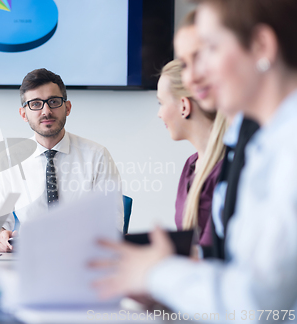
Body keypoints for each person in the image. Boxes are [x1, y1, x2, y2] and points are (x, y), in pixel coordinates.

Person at [93, 0, 297, 317]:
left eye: (210, 50)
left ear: (261, 46)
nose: (193, 77)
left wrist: (158, 273)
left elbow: (257, 305)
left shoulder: (286, 149)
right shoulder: (265, 145)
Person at [0, 68, 123, 252]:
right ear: (23, 114)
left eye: (53, 102)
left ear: (67, 107)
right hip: (30, 258)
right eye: (35, 104)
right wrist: (0, 236)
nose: (46, 111)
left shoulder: (97, 155)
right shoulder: (9, 160)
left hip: (84, 258)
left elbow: (111, 224)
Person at [175, 9, 260, 259]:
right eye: (184, 64)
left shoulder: (272, 145)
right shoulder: (239, 144)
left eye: (206, 54)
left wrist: (162, 274)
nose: (192, 76)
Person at [157, 59, 226, 247]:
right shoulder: (190, 165)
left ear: (184, 106)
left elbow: (209, 255)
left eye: (161, 103)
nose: (159, 113)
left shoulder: (227, 170)